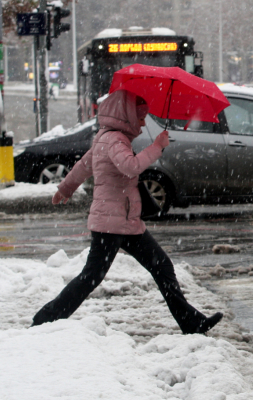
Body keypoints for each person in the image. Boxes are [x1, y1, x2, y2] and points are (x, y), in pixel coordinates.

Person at [31, 89, 222, 335]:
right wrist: (157, 147)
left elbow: (85, 164)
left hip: (125, 221)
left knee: (161, 265)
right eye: (140, 118)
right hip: (111, 224)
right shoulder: (115, 140)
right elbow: (131, 167)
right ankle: (45, 320)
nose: (143, 123)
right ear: (127, 117)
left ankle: (191, 322)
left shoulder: (106, 136)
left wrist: (65, 188)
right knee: (91, 277)